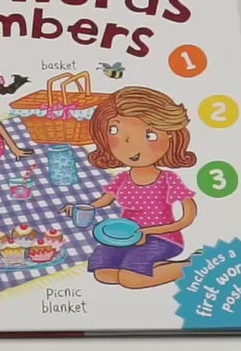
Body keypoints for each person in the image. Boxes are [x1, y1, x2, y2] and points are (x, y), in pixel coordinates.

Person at [60, 87, 198, 289]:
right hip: (124, 238)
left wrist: (148, 232)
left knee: (130, 280)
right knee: (103, 274)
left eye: (149, 135)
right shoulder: (123, 178)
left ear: (170, 135)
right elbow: (106, 199)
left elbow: (188, 217)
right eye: (114, 131)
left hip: (161, 238)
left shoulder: (167, 180)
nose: (131, 146)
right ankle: (153, 267)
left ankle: (191, 265)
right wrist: (82, 208)